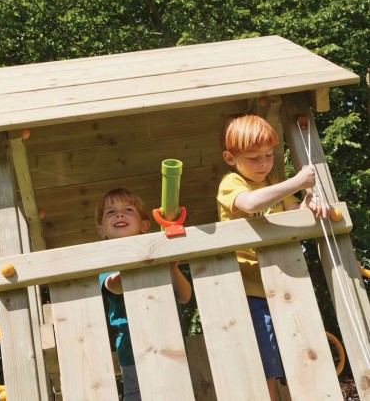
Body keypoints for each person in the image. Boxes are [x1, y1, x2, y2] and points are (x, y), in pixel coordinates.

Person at [217, 114, 331, 401]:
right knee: (266, 364)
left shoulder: (273, 181)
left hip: (284, 285)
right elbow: (251, 203)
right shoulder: (231, 183)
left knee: (298, 356)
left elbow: (291, 212)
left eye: (268, 155)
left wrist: (308, 201)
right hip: (251, 291)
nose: (264, 163)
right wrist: (295, 182)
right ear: (231, 158)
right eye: (254, 157)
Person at [96, 188, 192, 401]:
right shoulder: (107, 260)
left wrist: (172, 269)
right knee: (138, 395)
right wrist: (143, 264)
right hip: (133, 352)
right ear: (101, 230)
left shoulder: (156, 256)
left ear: (145, 225)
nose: (119, 215)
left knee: (177, 392)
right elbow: (114, 285)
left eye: (128, 210)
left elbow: (184, 296)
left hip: (170, 342)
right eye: (111, 212)